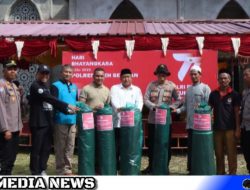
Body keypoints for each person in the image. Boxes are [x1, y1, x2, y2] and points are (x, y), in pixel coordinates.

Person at [29, 64, 78, 175]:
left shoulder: (45, 86)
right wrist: (67, 106)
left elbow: (52, 103)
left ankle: (42, 169)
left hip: (47, 122)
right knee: (37, 149)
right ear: (37, 74)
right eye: (42, 73)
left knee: (46, 148)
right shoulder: (35, 86)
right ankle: (35, 172)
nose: (45, 75)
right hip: (38, 123)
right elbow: (51, 99)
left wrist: (68, 111)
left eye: (47, 73)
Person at [143, 64, 181, 174]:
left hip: (165, 122)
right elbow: (145, 99)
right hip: (153, 120)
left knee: (166, 143)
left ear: (166, 75)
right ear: (157, 75)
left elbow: (179, 100)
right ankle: (151, 166)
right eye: (160, 74)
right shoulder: (151, 85)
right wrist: (153, 107)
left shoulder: (172, 86)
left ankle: (165, 166)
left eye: (164, 74)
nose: (162, 76)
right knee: (152, 143)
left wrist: (170, 108)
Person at [174, 65, 211, 173]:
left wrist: (200, 107)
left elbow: (209, 105)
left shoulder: (205, 88)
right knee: (191, 148)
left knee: (200, 148)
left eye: (196, 74)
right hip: (190, 124)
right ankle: (191, 169)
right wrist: (177, 111)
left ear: (200, 75)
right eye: (192, 74)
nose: (193, 76)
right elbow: (185, 106)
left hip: (201, 125)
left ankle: (201, 168)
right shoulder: (189, 89)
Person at [110, 68, 143, 171]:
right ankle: (116, 167)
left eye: (128, 77)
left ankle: (127, 166)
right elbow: (114, 102)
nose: (126, 79)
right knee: (117, 147)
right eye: (124, 77)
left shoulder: (136, 89)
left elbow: (140, 103)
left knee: (129, 147)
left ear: (131, 78)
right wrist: (120, 109)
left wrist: (136, 112)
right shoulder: (114, 88)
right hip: (118, 123)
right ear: (120, 78)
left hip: (132, 125)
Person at [209, 69, 240, 175]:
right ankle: (220, 174)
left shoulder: (235, 94)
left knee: (232, 154)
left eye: (225, 78)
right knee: (218, 154)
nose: (223, 80)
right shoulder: (213, 94)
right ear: (218, 80)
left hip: (230, 129)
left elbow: (236, 113)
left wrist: (237, 129)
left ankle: (232, 174)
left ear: (229, 80)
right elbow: (209, 110)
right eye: (221, 78)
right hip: (217, 129)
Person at [51, 64, 78, 175]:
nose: (67, 74)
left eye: (70, 72)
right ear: (61, 73)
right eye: (65, 72)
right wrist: (65, 111)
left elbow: (75, 103)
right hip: (60, 120)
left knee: (70, 146)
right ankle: (60, 170)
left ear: (73, 74)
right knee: (60, 146)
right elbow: (54, 103)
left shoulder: (74, 86)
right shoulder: (55, 86)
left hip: (72, 121)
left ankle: (68, 169)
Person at [0, 60, 23, 175]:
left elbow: (16, 107)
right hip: (7, 130)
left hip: (15, 129)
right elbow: (1, 108)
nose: (13, 71)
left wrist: (20, 125)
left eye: (14, 69)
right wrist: (5, 129)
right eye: (10, 69)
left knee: (12, 158)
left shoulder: (14, 85)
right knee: (6, 160)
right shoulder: (1, 85)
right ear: (4, 70)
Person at [241, 65, 250, 174]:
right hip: (245, 127)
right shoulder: (244, 92)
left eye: (246, 75)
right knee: (246, 152)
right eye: (243, 75)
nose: (244, 77)